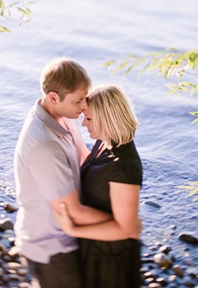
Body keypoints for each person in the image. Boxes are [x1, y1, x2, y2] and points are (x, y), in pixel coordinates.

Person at [14, 58, 114, 288]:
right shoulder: (44, 145)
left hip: (67, 234)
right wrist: (120, 222)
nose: (84, 107)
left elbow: (82, 155)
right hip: (51, 246)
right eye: (79, 101)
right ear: (53, 97)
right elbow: (73, 211)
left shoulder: (61, 117)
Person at [54, 84, 143, 288]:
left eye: (89, 118)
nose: (84, 123)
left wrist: (72, 229)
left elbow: (125, 228)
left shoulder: (124, 168)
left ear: (108, 119)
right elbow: (88, 162)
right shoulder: (106, 142)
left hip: (111, 260)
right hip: (94, 245)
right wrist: (69, 123)